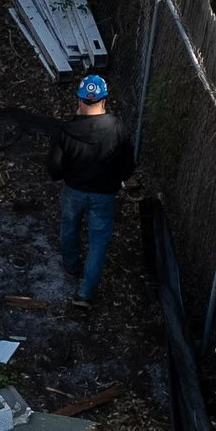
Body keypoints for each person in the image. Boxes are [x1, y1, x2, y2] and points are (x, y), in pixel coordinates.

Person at [48, 73, 135, 307]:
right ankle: (85, 292)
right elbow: (128, 165)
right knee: (98, 241)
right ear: (104, 102)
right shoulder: (117, 128)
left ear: (79, 101)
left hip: (74, 191)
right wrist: (116, 178)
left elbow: (54, 168)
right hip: (104, 195)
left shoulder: (66, 130)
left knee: (69, 229)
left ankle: (70, 268)